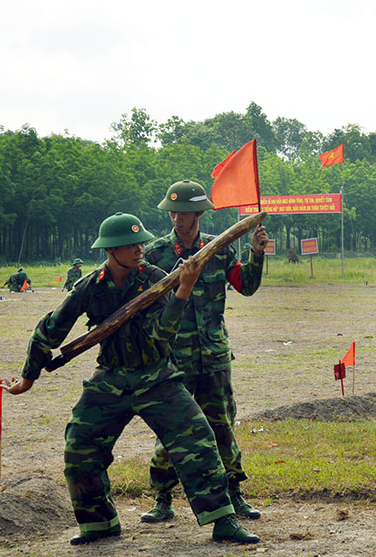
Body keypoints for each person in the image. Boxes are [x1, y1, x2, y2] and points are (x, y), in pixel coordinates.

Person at [0, 213, 258, 545]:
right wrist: (28, 377)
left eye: (140, 242)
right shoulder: (90, 286)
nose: (139, 248)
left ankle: (222, 519)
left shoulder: (156, 278)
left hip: (156, 377)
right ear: (111, 250)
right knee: (80, 446)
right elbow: (50, 329)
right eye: (129, 244)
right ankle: (99, 524)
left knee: (199, 440)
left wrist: (183, 291)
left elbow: (162, 335)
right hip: (110, 378)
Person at [142, 180, 268, 523]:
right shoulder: (155, 254)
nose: (177, 219)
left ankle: (234, 493)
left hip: (213, 355)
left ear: (198, 212)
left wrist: (256, 254)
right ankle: (163, 498)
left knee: (221, 426)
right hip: (173, 359)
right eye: (172, 213)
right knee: (172, 428)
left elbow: (247, 287)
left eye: (183, 213)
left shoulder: (219, 249)